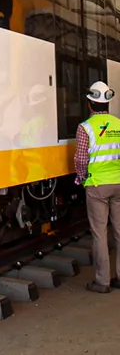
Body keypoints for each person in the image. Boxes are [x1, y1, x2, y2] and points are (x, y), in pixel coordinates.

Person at [75, 81, 120, 293]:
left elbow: (81, 159)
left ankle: (103, 282)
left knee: (100, 233)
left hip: (97, 186)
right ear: (108, 104)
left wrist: (82, 178)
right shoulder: (118, 124)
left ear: (90, 104)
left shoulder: (85, 128)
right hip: (119, 184)